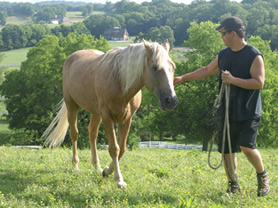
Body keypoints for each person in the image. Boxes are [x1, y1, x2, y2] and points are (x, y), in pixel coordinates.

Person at [174, 16, 270, 196]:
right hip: (226, 110)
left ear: (233, 33)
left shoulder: (254, 55)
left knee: (247, 147)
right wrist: (182, 78)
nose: (222, 37)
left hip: (248, 111)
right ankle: (233, 186)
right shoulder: (223, 54)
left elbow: (259, 82)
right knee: (226, 150)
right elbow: (207, 70)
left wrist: (233, 80)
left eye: (223, 33)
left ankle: (262, 176)